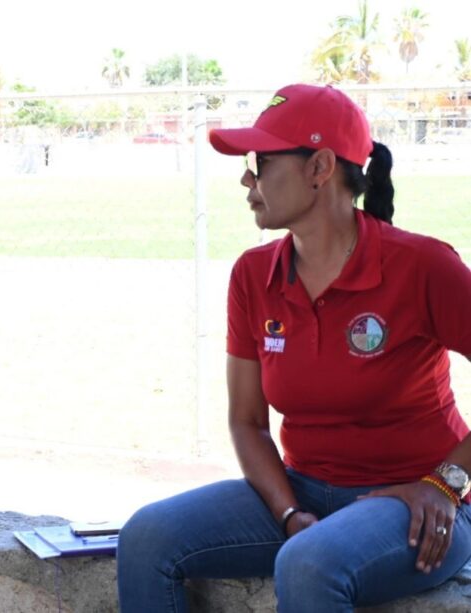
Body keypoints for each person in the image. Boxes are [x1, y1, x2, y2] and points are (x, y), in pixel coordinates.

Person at [116, 83, 471, 612]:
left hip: (417, 504)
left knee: (308, 562)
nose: (246, 178)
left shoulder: (422, 265)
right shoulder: (252, 275)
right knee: (146, 537)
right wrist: (288, 512)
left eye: (260, 162)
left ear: (319, 168)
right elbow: (247, 422)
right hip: (300, 489)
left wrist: (446, 483)